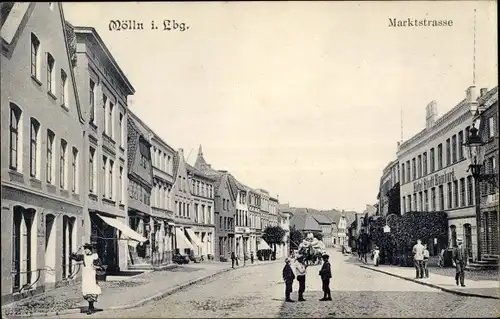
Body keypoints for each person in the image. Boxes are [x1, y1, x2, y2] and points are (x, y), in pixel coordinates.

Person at [70, 243, 103, 315]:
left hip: (92, 274)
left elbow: (100, 266)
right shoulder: (83, 256)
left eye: (86, 249)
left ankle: (90, 308)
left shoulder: (95, 256)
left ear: (90, 249)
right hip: (86, 274)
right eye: (84, 249)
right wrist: (77, 250)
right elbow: (74, 257)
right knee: (87, 290)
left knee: (92, 290)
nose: (85, 251)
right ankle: (91, 306)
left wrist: (96, 267)